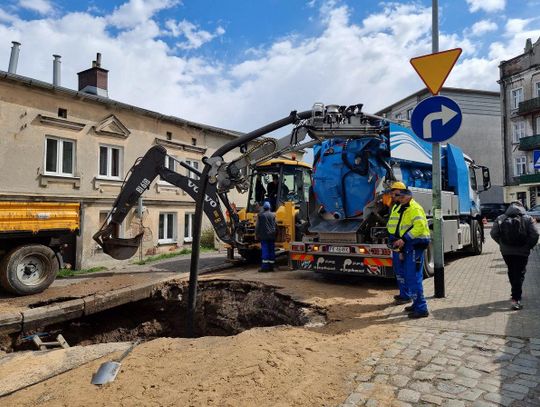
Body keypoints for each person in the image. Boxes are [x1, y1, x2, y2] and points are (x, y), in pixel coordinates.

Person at [387, 188, 431, 318]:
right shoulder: (401, 207)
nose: (396, 198)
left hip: (415, 244)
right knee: (408, 275)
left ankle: (421, 308)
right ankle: (416, 304)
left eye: (398, 196)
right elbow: (396, 226)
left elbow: (420, 227)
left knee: (413, 277)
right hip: (407, 245)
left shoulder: (414, 208)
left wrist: (404, 239)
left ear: (407, 196)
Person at [490, 200, 538, 310]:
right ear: (522, 207)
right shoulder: (528, 218)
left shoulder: (501, 218)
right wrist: (528, 246)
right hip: (522, 251)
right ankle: (516, 299)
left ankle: (514, 293)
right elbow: (535, 234)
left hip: (506, 252)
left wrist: (502, 244)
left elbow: (493, 233)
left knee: (512, 271)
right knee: (520, 273)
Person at [385, 181, 411, 305]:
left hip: (402, 243)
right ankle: (403, 294)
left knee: (404, 270)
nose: (392, 196)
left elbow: (405, 226)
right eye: (391, 193)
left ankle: (407, 295)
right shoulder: (395, 206)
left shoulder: (405, 207)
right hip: (395, 242)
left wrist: (401, 243)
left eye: (394, 193)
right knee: (399, 270)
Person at [255, 201, 277, 272]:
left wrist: (256, 234)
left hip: (264, 236)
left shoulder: (260, 215)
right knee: (271, 250)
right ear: (269, 207)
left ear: (264, 208)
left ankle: (265, 267)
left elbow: (257, 226)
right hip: (272, 235)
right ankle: (271, 267)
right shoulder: (273, 215)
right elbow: (275, 225)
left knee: (265, 250)